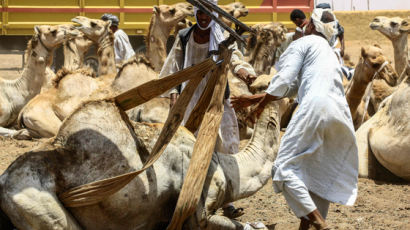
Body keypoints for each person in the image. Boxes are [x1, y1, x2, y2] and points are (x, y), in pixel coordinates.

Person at [231, 8, 358, 229]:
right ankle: (307, 226)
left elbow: (284, 80)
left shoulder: (302, 43)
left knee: (283, 168)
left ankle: (320, 223)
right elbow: (295, 87)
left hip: (314, 108)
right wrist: (254, 98)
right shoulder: (329, 53)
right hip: (340, 114)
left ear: (310, 27)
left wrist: (260, 105)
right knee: (317, 174)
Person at [158, 0, 256, 218]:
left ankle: (227, 202)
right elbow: (174, 67)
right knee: (189, 146)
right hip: (190, 98)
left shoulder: (223, 36)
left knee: (224, 146)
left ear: (214, 14)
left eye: (208, 14)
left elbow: (235, 59)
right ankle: (190, 198)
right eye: (200, 13)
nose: (203, 18)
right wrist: (175, 95)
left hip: (217, 97)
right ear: (195, 13)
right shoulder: (184, 36)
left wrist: (243, 72)